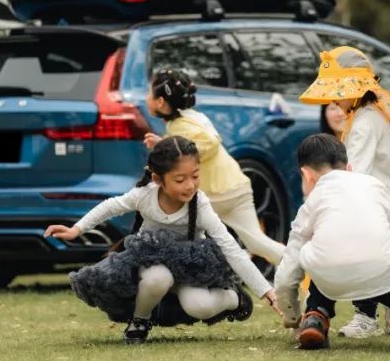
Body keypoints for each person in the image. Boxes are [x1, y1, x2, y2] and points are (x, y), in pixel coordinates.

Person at [46, 136, 279, 344]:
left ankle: (235, 298)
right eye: (180, 179)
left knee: (199, 306)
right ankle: (140, 321)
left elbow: (230, 248)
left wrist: (266, 291)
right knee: (158, 278)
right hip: (152, 261)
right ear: (158, 178)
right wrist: (76, 229)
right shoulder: (144, 195)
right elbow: (111, 206)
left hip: (191, 267)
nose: (190, 185)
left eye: (195, 176)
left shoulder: (200, 204)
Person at [274, 134, 390, 351]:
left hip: (329, 279)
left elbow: (286, 278)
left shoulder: (310, 204)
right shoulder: (373, 185)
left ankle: (316, 316)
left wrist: (293, 317)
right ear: (350, 168)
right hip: (383, 271)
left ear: (306, 176)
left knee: (319, 251)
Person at [299, 46, 390, 338]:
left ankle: (367, 317)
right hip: (384, 192)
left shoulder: (366, 122)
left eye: (337, 92)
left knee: (368, 249)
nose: (333, 100)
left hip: (387, 194)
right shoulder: (361, 116)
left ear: (353, 89)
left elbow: (357, 171)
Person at [142, 69, 285, 264]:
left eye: (149, 93)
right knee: (257, 242)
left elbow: (206, 144)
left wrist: (165, 145)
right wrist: (165, 143)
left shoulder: (179, 125)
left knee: (180, 230)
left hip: (217, 193)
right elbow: (195, 143)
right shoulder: (193, 116)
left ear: (160, 102)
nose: (146, 97)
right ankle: (302, 264)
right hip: (236, 186)